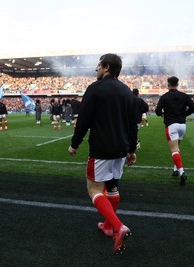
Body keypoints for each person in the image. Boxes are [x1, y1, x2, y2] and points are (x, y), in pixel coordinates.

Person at [68, 53, 137, 255]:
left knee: (94, 189)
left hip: (101, 149)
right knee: (112, 186)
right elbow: (133, 125)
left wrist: (74, 144)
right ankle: (107, 226)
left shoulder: (95, 88)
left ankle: (118, 226)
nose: (96, 69)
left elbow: (84, 120)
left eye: (98, 66)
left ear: (106, 67)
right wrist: (131, 149)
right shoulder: (127, 92)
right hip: (121, 149)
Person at [155, 76, 194, 186]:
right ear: (177, 84)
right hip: (182, 125)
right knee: (177, 148)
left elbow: (157, 111)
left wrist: (163, 115)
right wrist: (184, 114)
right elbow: (193, 106)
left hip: (171, 125)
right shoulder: (184, 95)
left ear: (168, 84)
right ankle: (175, 169)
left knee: (174, 150)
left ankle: (182, 172)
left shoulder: (164, 97)